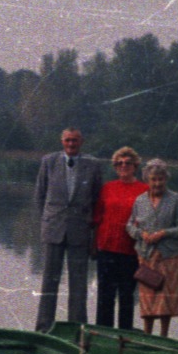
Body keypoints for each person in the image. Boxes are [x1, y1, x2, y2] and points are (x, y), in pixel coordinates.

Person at [33, 127, 103, 332]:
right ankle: (43, 327)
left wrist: (91, 228)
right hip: (53, 228)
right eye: (67, 141)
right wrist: (46, 221)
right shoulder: (49, 161)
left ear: (81, 142)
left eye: (75, 141)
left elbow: (97, 199)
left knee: (79, 283)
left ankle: (77, 328)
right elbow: (39, 196)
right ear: (61, 141)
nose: (71, 144)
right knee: (49, 281)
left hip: (79, 230)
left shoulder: (93, 164)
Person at [125, 158, 178, 337]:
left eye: (161, 179)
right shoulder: (140, 201)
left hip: (169, 256)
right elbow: (130, 226)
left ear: (166, 179)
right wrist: (140, 234)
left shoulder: (176, 199)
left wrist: (164, 233)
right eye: (154, 179)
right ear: (147, 180)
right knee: (147, 299)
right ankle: (147, 336)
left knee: (165, 301)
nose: (157, 183)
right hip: (146, 256)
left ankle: (163, 336)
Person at [93, 147, 149, 329]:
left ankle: (124, 335)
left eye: (127, 163)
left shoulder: (144, 190)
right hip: (106, 248)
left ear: (135, 166)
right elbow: (97, 216)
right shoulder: (107, 187)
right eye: (119, 163)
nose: (123, 166)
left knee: (126, 296)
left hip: (131, 251)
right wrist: (94, 243)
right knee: (105, 296)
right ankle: (102, 334)